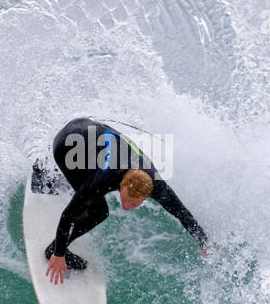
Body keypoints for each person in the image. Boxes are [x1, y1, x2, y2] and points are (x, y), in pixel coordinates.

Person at [40, 117, 210, 285]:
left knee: (89, 195)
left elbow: (181, 212)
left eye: (133, 204)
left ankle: (57, 181)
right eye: (126, 199)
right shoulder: (105, 178)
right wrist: (59, 253)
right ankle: (53, 249)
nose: (126, 207)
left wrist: (203, 241)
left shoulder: (155, 183)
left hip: (90, 134)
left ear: (146, 195)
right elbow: (68, 216)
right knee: (98, 211)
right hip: (66, 146)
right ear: (121, 185)